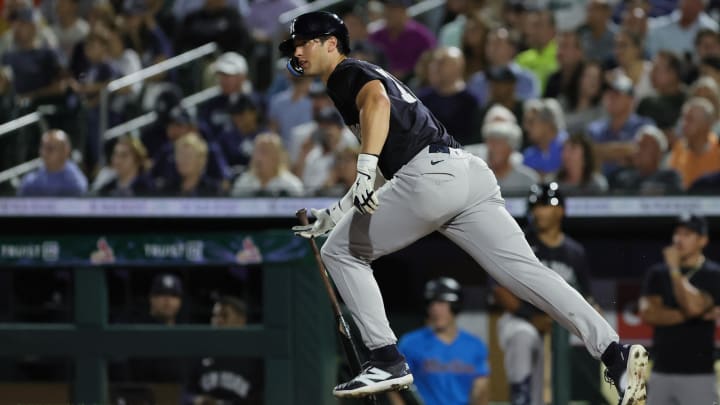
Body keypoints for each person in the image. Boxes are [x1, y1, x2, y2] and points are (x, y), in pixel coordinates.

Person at [281, 11, 648, 403]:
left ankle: (386, 358)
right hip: (464, 173)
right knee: (528, 273)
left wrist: (365, 168)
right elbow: (389, 160)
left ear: (331, 43)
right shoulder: (357, 74)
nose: (298, 51)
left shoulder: (344, 72)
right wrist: (334, 214)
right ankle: (615, 352)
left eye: (304, 42)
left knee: (340, 251)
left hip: (430, 176)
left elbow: (376, 102)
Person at [493, 183, 596, 405]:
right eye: (535, 207)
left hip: (557, 329)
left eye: (545, 206)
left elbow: (587, 297)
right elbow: (500, 290)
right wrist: (532, 317)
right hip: (521, 319)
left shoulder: (575, 252)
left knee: (542, 395)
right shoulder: (520, 242)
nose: (539, 212)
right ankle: (519, 396)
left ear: (561, 210)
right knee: (523, 337)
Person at [638, 213, 720, 405]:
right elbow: (649, 314)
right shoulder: (657, 273)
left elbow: (692, 308)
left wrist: (674, 270)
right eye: (677, 233)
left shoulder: (713, 274)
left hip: (699, 374)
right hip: (661, 371)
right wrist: (694, 314)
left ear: (703, 240)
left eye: (687, 234)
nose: (678, 239)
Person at [390, 277, 490, 405]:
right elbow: (394, 385)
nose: (435, 309)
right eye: (431, 303)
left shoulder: (475, 345)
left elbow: (481, 388)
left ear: (455, 306)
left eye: (441, 302)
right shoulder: (410, 343)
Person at [182, 295, 263, 405]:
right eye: (215, 316)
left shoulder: (254, 358)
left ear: (241, 321)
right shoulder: (200, 354)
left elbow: (261, 398)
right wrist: (196, 400)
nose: (218, 320)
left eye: (224, 316)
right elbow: (185, 395)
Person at [609, 125, 682, 195]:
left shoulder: (670, 178)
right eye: (637, 145)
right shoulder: (624, 178)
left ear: (658, 153)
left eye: (644, 146)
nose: (638, 150)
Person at [230, 132, 304, 197]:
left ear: (277, 157)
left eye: (264, 151)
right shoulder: (243, 182)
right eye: (256, 151)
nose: (258, 157)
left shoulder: (291, 185)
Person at [668, 97, 720, 189]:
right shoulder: (679, 148)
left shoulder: (718, 148)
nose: (684, 124)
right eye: (683, 119)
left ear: (707, 124)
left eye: (690, 119)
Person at [17, 129, 88, 196]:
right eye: (42, 147)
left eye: (50, 149)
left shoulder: (75, 183)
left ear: (65, 152)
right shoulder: (30, 180)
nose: (44, 153)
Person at [482, 120, 539, 196]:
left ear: (511, 148)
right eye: (490, 143)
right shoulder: (479, 178)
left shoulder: (528, 180)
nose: (492, 149)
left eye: (498, 143)